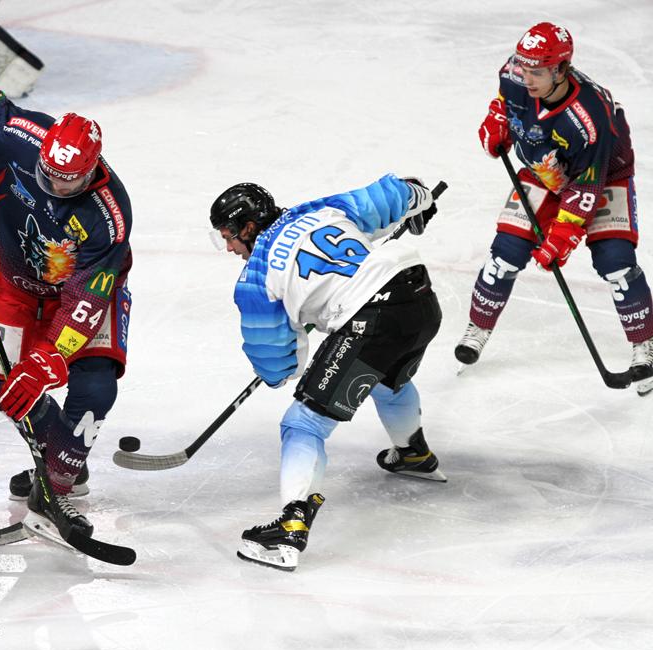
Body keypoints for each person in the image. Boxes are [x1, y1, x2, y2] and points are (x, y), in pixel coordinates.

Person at [0, 87, 133, 545]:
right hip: (16, 288)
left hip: (82, 297)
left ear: (93, 169)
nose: (56, 186)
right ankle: (60, 457)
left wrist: (50, 357)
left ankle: (56, 483)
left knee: (95, 386)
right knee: (4, 388)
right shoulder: (20, 135)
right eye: (50, 175)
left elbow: (88, 297)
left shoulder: (109, 216)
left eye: (69, 181)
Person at [209, 175, 444, 572]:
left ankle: (290, 526)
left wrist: (302, 327)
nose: (230, 247)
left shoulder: (254, 279)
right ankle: (413, 453)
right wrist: (421, 201)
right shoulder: (317, 209)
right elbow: (397, 193)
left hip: (373, 317)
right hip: (418, 297)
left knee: (303, 423)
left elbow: (278, 366)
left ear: (249, 227)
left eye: (229, 236)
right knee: (387, 377)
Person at [456, 22, 653, 393]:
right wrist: (497, 120)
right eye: (523, 67)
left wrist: (561, 237)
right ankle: (478, 328)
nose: (525, 77)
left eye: (537, 71)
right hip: (543, 168)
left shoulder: (589, 119)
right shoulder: (514, 75)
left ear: (561, 70)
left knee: (617, 263)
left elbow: (586, 188)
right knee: (506, 252)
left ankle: (646, 344)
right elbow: (504, 102)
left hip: (602, 175)